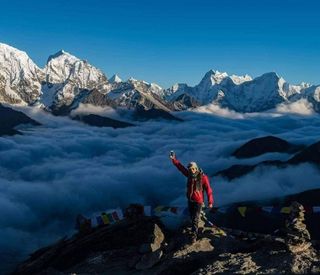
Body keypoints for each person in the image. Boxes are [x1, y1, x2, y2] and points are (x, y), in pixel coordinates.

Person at [170, 151, 214, 242]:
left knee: (195, 218)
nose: (191, 170)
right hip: (190, 200)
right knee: (192, 216)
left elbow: (208, 190)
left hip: (198, 201)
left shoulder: (203, 178)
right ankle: (196, 228)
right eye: (190, 169)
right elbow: (181, 168)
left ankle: (194, 236)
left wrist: (210, 202)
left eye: (193, 169)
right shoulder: (189, 175)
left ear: (196, 168)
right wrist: (174, 160)